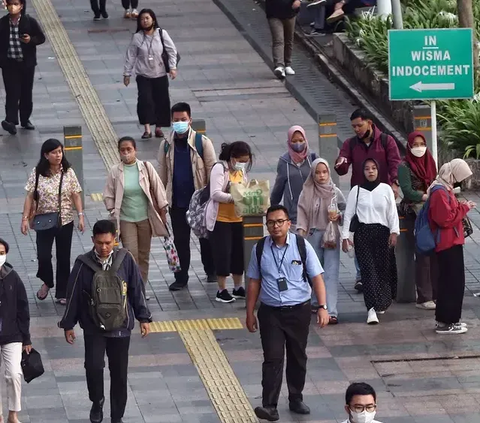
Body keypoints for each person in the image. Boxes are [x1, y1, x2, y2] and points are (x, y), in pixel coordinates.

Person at [59, 220, 152, 423]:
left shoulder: (125, 259)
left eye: (108, 243)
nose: (103, 247)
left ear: (115, 239)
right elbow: (73, 293)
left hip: (121, 327)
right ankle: (97, 401)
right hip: (93, 326)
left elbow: (137, 288)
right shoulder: (83, 263)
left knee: (119, 374)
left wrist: (143, 317)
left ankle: (117, 416)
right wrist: (68, 324)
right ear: (93, 240)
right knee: (93, 366)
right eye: (99, 242)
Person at [246, 204, 330, 422]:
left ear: (288, 223)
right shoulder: (260, 248)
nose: (275, 226)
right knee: (272, 358)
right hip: (271, 312)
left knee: (297, 355)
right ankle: (270, 406)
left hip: (298, 311)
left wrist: (322, 307)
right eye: (271, 223)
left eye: (279, 221)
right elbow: (254, 282)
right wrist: (249, 312)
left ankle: (295, 397)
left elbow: (317, 278)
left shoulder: (302, 245)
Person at [335, 109, 401, 292]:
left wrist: (395, 184)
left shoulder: (386, 141)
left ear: (369, 123)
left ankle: (383, 274)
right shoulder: (350, 144)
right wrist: (340, 165)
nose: (356, 129)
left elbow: (395, 162)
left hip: (382, 195)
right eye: (353, 126)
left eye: (359, 125)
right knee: (360, 233)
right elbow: (343, 165)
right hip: (360, 195)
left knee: (383, 232)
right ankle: (361, 275)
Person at [158, 102, 216, 291]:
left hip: (200, 203)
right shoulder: (166, 145)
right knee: (180, 241)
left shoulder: (203, 143)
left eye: (183, 119)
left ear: (190, 120)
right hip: (178, 203)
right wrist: (161, 203)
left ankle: (211, 271)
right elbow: (162, 175)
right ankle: (181, 278)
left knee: (205, 238)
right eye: (176, 120)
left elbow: (213, 171)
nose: (180, 123)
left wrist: (211, 198)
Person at [21, 139, 84, 305]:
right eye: (54, 152)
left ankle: (62, 293)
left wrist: (81, 215)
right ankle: (47, 281)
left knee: (63, 257)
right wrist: (25, 218)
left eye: (60, 152)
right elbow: (29, 196)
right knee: (43, 255)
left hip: (65, 220)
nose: (58, 155)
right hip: (43, 221)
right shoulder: (37, 173)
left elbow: (76, 194)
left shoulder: (68, 172)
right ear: (46, 155)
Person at [103, 136, 169, 293]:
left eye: (129, 150)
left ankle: (141, 288)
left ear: (135, 150)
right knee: (131, 255)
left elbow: (158, 189)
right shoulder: (115, 171)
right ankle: (133, 288)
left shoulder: (145, 167)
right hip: (126, 220)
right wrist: (112, 210)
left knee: (144, 255)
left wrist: (163, 209)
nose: (126, 153)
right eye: (123, 150)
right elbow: (108, 194)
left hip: (145, 218)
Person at [342, 159, 399, 325]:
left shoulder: (385, 189)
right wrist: (345, 237)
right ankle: (371, 309)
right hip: (363, 234)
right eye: (367, 169)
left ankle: (381, 301)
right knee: (368, 271)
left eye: (374, 168)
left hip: (382, 234)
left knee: (382, 271)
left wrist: (394, 232)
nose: (371, 171)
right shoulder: (356, 191)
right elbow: (348, 214)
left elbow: (392, 212)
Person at [428, 159, 475, 335]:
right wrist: (464, 208)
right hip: (447, 243)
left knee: (454, 282)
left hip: (452, 242)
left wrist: (462, 207)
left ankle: (451, 320)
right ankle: (446, 322)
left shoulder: (443, 188)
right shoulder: (439, 192)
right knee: (450, 283)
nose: (457, 181)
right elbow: (445, 219)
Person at [297, 158, 346, 323]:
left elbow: (345, 210)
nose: (321, 176)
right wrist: (300, 233)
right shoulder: (307, 191)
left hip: (331, 235)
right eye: (317, 172)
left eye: (324, 172)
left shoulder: (334, 191)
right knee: (314, 271)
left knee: (331, 272)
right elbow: (302, 212)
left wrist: (339, 216)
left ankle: (331, 311)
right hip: (312, 235)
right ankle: (316, 300)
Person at [205, 142, 251, 303]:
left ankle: (238, 287)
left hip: (238, 218)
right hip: (220, 220)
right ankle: (221, 289)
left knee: (238, 254)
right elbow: (215, 194)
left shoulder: (241, 171)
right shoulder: (220, 169)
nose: (242, 164)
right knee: (223, 254)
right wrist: (234, 198)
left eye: (246, 161)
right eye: (241, 160)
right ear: (232, 158)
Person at [398, 131, 438, 311]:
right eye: (415, 144)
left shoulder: (430, 162)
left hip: (432, 213)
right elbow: (406, 191)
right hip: (414, 215)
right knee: (422, 254)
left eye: (422, 143)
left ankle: (435, 293)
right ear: (409, 146)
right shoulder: (404, 166)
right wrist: (424, 196)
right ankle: (424, 297)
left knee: (434, 254)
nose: (419, 148)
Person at [124, 9, 177, 139]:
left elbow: (171, 51)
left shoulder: (162, 34)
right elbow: (130, 55)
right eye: (142, 19)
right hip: (143, 75)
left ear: (153, 19)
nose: (145, 21)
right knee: (145, 100)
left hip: (160, 74)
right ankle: (147, 129)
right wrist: (127, 74)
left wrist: (172, 67)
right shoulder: (137, 37)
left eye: (147, 18)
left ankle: (158, 127)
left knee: (161, 101)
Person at [0, 0, 45, 135]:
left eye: (15, 4)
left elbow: (41, 38)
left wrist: (30, 40)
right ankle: (11, 121)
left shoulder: (29, 21)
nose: (12, 7)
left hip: (26, 64)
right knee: (12, 92)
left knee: (26, 92)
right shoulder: (2, 23)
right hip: (9, 64)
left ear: (21, 6)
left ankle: (25, 119)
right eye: (10, 4)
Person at [0, 238, 32, 423]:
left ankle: (13, 413)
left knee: (14, 373)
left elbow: (23, 307)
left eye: (2, 253)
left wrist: (26, 338)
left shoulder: (13, 277)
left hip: (12, 335)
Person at [270, 125, 317, 228]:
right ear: (289, 142)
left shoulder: (313, 158)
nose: (298, 144)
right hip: (293, 212)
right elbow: (279, 186)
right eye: (294, 141)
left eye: (301, 140)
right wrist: (272, 206)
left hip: (314, 210)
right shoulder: (284, 161)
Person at [265, 0, 300, 79]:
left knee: (289, 40)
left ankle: (287, 64)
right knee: (278, 40)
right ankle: (279, 65)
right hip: (273, 14)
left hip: (290, 12)